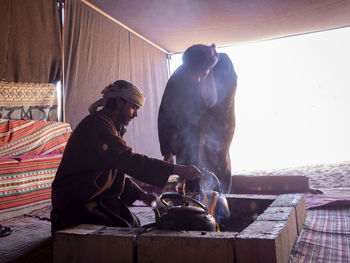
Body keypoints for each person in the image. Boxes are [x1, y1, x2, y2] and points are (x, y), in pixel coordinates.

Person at [51, 80, 202, 233]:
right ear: (119, 102)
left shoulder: (110, 126)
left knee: (132, 222)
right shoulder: (98, 125)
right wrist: (176, 169)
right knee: (122, 232)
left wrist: (141, 195)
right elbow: (128, 160)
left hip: (95, 199)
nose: (136, 114)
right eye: (134, 107)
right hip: (76, 202)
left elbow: (115, 169)